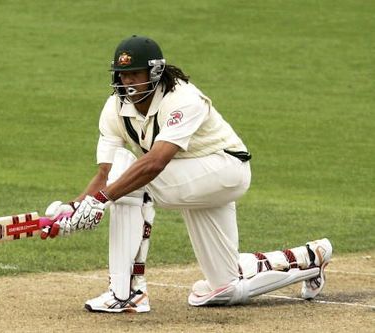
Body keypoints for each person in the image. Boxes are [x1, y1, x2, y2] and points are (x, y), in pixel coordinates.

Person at [41, 35, 332, 313]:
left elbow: (155, 163)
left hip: (225, 170)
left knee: (132, 182)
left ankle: (127, 293)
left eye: (134, 74)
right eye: (121, 74)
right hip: (192, 180)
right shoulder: (113, 109)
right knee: (224, 288)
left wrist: (101, 200)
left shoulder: (183, 99)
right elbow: (105, 173)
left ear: (155, 72)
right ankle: (310, 258)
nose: (126, 81)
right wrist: (74, 208)